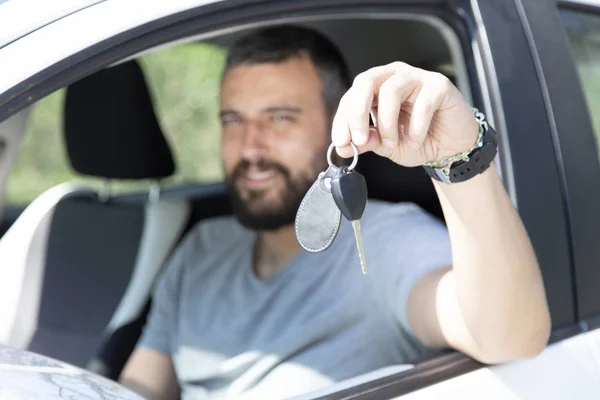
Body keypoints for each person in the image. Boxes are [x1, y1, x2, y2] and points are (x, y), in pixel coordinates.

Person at [119, 26, 551, 400]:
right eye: (233, 120)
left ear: (338, 127)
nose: (250, 148)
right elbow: (140, 387)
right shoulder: (202, 248)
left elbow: (510, 337)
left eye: (280, 118)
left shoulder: (390, 241)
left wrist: (459, 157)